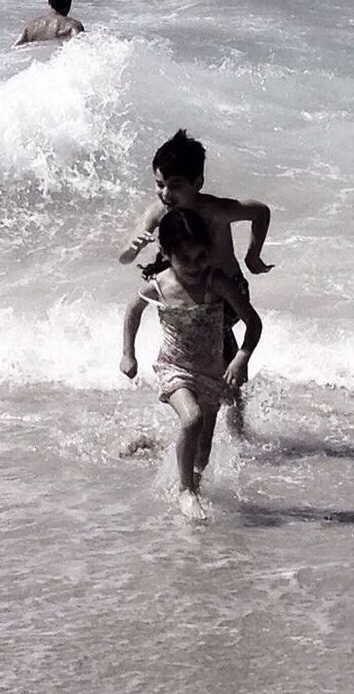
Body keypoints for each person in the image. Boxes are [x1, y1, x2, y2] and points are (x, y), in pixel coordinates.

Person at [117, 129, 272, 437]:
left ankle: (237, 431)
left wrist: (253, 256)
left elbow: (260, 211)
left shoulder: (214, 210)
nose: (165, 194)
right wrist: (132, 248)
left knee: (226, 358)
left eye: (175, 186)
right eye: (160, 185)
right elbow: (123, 258)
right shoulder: (158, 212)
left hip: (225, 292)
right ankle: (193, 417)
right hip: (185, 293)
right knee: (192, 357)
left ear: (197, 183)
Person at [121, 207, 263, 521]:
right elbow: (132, 310)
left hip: (212, 372)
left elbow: (253, 322)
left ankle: (190, 485)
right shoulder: (159, 285)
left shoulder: (216, 282)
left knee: (203, 450)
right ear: (167, 254)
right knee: (192, 419)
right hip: (174, 368)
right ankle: (185, 491)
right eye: (186, 259)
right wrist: (128, 354)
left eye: (202, 256)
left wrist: (241, 356)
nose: (196, 266)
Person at [13, 0, 84, 47]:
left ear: (49, 2)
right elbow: (79, 46)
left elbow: (15, 47)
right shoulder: (72, 25)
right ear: (68, 5)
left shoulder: (31, 26)